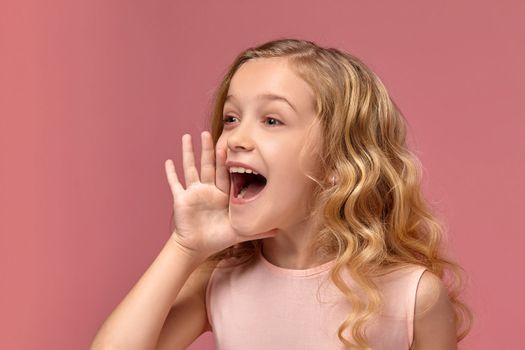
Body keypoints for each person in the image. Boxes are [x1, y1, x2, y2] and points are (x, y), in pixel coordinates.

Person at [90, 38, 472, 350]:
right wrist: (185, 247)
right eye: (231, 118)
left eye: (272, 120)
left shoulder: (414, 297)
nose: (236, 138)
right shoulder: (218, 281)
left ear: (340, 158)